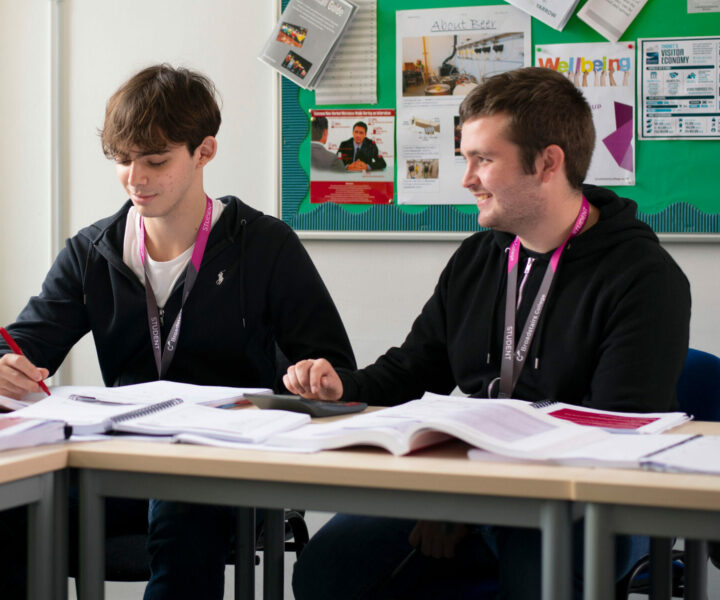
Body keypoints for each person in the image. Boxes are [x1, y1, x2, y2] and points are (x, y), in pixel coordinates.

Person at [283, 66, 691, 600]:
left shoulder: (644, 278)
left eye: (484, 159)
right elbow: (413, 369)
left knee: (534, 561)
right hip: (476, 487)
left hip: (581, 501)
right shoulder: (480, 256)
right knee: (327, 568)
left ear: (548, 163)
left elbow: (608, 436)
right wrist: (343, 386)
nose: (467, 178)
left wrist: (462, 498)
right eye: (465, 158)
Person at [0, 64, 356, 600]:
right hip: (121, 463)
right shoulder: (91, 252)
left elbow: (337, 370)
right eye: (123, 161)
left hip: (231, 468)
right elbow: (23, 345)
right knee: (12, 499)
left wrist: (319, 380)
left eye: (156, 161)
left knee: (181, 499)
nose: (135, 178)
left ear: (204, 152)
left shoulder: (264, 245)